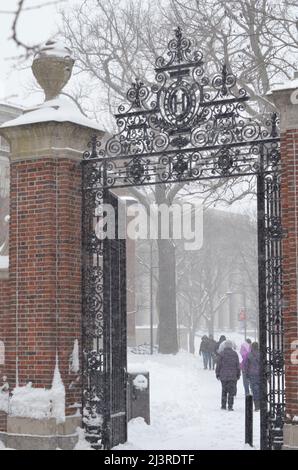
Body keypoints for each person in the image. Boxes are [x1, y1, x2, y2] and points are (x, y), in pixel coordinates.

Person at [215, 340, 240, 411]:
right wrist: (238, 374)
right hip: (232, 376)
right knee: (231, 392)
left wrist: (217, 373)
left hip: (223, 375)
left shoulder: (221, 354)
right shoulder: (234, 354)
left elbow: (218, 365)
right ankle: (230, 406)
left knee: (224, 390)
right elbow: (237, 365)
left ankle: (223, 405)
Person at [245, 342, 260, 411]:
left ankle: (256, 405)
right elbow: (266, 364)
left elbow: (246, 366)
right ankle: (261, 404)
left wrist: (247, 374)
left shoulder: (249, 355)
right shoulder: (261, 354)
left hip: (252, 374)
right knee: (261, 389)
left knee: (254, 390)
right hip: (260, 374)